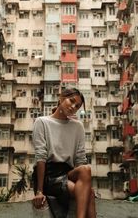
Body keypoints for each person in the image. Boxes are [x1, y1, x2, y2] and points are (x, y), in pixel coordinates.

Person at [32, 88, 96, 218]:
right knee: (88, 193)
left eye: (77, 106)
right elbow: (41, 157)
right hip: (49, 175)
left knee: (86, 170)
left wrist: (85, 183)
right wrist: (39, 191)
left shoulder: (78, 127)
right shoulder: (42, 122)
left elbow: (80, 159)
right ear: (61, 98)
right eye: (71, 101)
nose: (73, 106)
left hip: (68, 173)